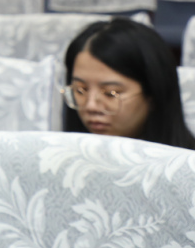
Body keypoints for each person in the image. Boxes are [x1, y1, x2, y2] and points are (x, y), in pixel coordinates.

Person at [62, 17, 195, 149]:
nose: (91, 106)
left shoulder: (185, 160)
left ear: (153, 95)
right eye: (80, 90)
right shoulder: (62, 154)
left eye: (111, 93)